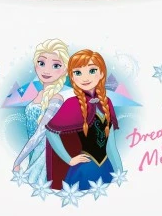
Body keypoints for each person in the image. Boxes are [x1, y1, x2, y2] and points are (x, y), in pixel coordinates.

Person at [45, 49, 122, 190]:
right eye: (78, 73)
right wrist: (69, 159)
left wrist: (120, 173)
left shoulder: (107, 102)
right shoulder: (71, 104)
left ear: (101, 73)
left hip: (106, 167)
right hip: (84, 168)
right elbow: (50, 131)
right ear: (72, 77)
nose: (85, 78)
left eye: (92, 71)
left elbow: (111, 145)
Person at [13, 38, 69, 185]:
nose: (46, 70)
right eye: (42, 63)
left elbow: (40, 133)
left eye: (56, 65)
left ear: (65, 69)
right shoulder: (38, 94)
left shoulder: (56, 99)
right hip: (33, 151)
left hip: (45, 155)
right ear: (35, 65)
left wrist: (18, 160)